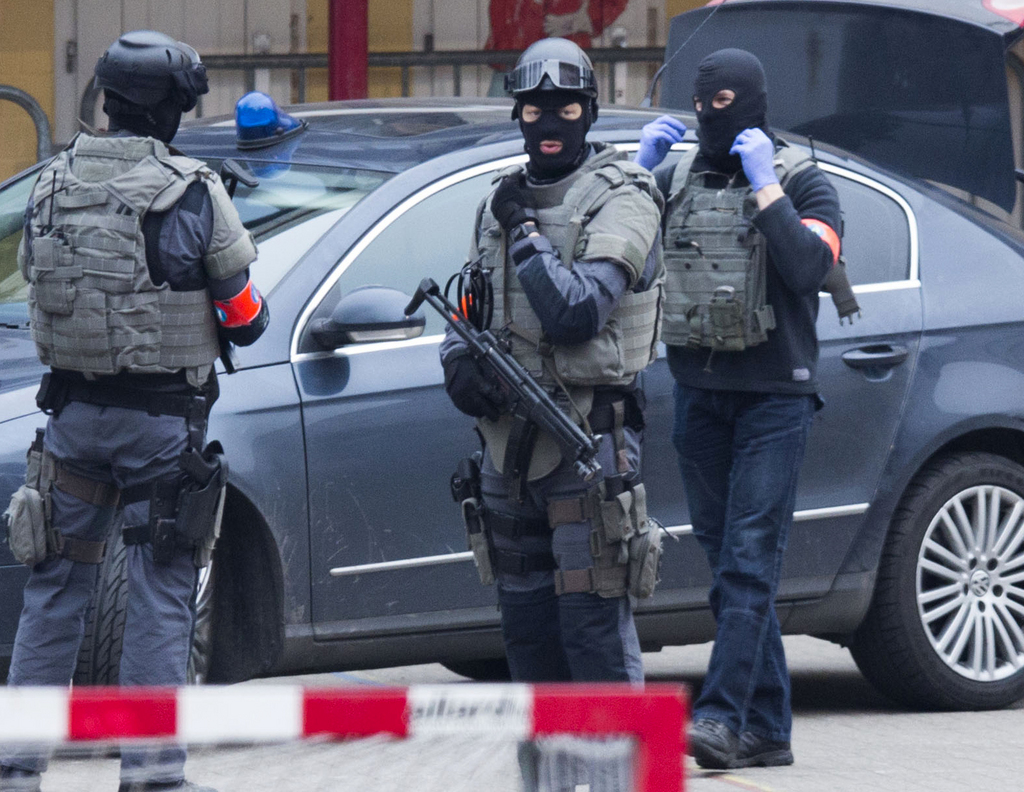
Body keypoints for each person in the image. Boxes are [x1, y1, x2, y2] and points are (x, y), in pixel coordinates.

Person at [0, 30, 268, 792]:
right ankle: (151, 774)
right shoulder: (191, 190)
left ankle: (17, 770)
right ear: (172, 111)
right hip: (159, 430)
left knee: (55, 590)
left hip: (72, 422)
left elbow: (35, 281)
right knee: (160, 594)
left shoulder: (51, 181)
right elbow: (247, 316)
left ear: (110, 103)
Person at [634, 49, 842, 769]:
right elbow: (624, 257)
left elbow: (812, 268)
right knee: (730, 569)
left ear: (753, 101)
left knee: (751, 565)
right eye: (701, 101)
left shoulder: (804, 180)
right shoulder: (677, 176)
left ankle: (720, 719)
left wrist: (766, 190)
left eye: (724, 99)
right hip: (699, 394)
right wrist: (637, 173)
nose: (709, 113)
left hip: (774, 400)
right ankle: (769, 730)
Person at [440, 37, 664, 683]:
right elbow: (472, 307)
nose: (548, 122)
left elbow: (575, 316)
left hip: (587, 445)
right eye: (535, 108)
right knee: (528, 637)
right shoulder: (497, 202)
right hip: (508, 453)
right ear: (517, 114)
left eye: (566, 108)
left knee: (592, 631)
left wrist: (526, 234)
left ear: (589, 114)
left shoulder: (622, 196)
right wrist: (457, 358)